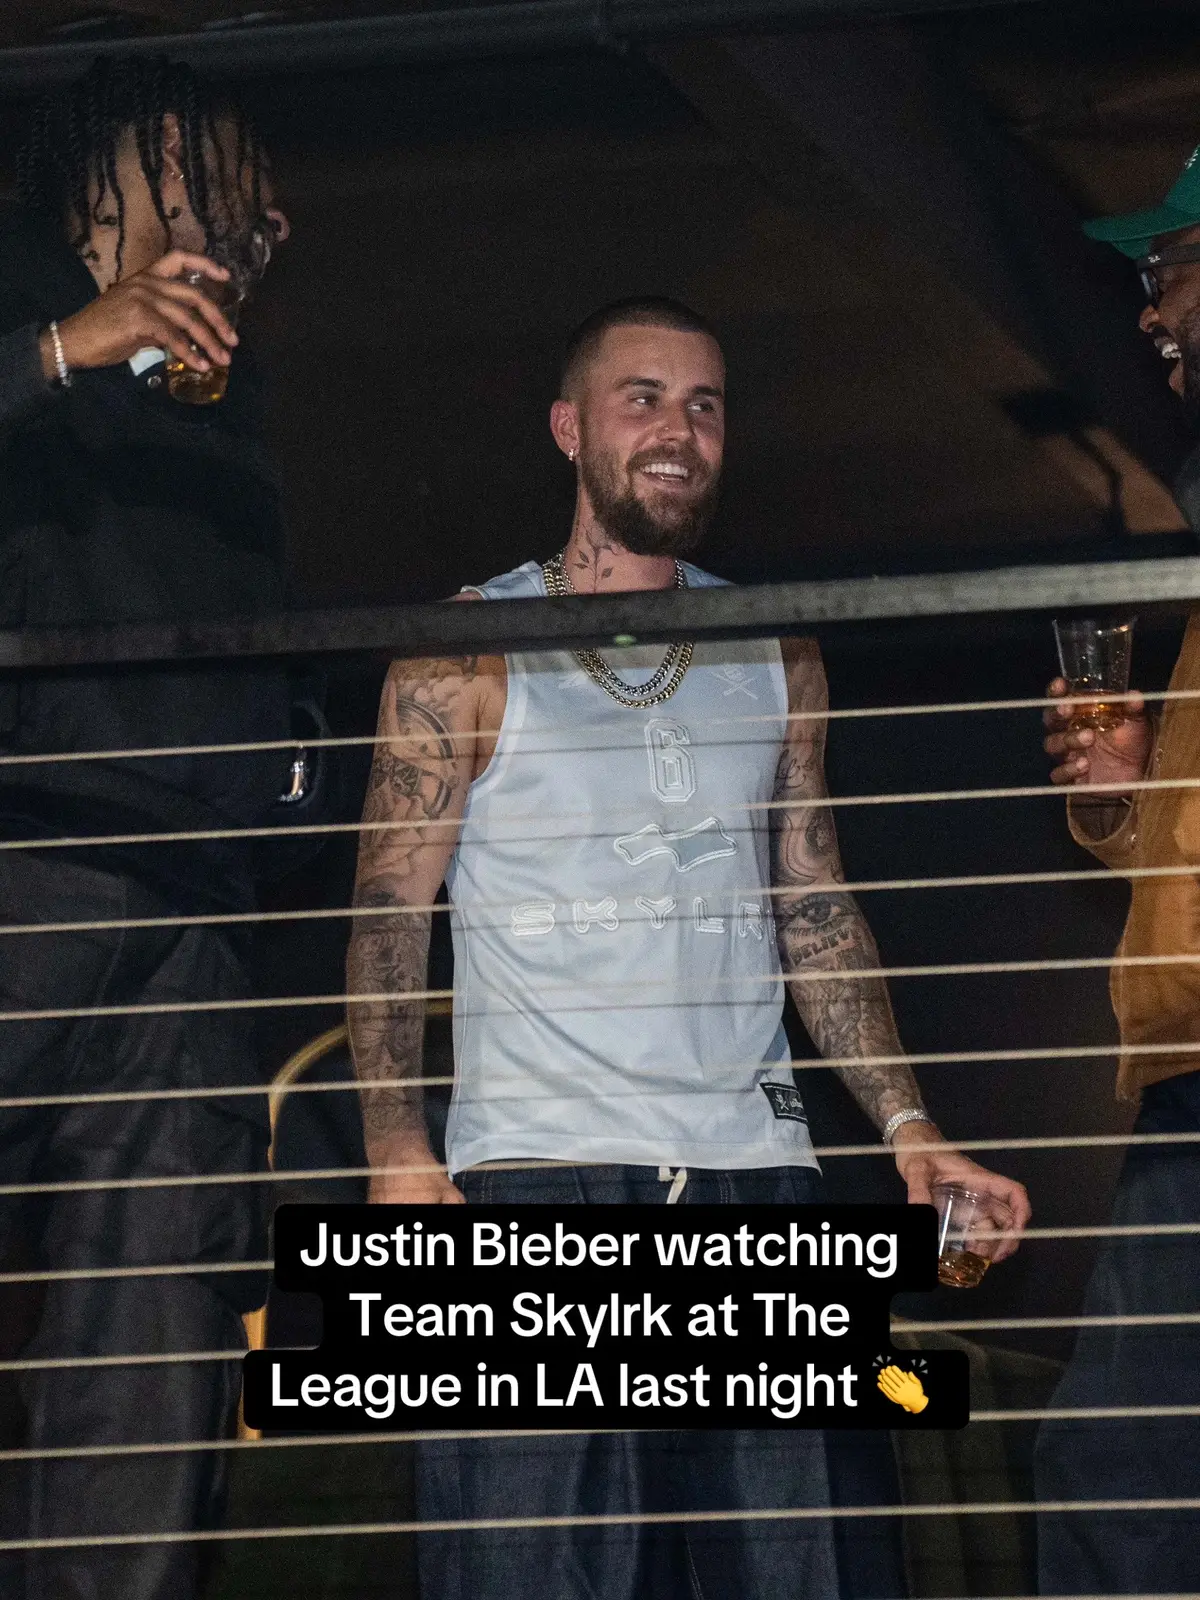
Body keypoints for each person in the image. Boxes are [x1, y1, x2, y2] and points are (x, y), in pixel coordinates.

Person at [346, 296, 1031, 1600]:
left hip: (755, 1183)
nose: (679, 430)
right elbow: (389, 909)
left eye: (705, 405)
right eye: (643, 398)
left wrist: (909, 1130)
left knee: (803, 1574)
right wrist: (394, 1147)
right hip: (536, 1187)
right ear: (570, 429)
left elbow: (814, 903)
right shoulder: (466, 648)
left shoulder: (776, 642)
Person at [0, 55, 297, 1600]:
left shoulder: (225, 381)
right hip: (27, 862)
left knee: (152, 1337)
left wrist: (290, 760)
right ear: (145, 152)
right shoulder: (25, 297)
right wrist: (62, 346)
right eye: (229, 170)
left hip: (190, 900)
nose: (261, 212)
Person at [1035, 153, 1200, 1594]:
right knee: (1122, 1474)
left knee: (1119, 1477)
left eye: (1172, 269)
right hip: (1186, 1067)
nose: (1152, 309)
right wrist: (1124, 798)